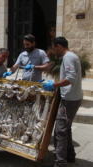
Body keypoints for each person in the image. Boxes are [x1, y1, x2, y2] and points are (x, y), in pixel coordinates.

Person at [42, 37, 82, 167]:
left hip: (70, 99)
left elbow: (70, 77)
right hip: (73, 97)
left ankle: (60, 163)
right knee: (66, 128)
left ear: (59, 46)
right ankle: (70, 156)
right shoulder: (73, 56)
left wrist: (54, 84)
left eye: (54, 49)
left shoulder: (68, 57)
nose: (54, 51)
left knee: (60, 131)